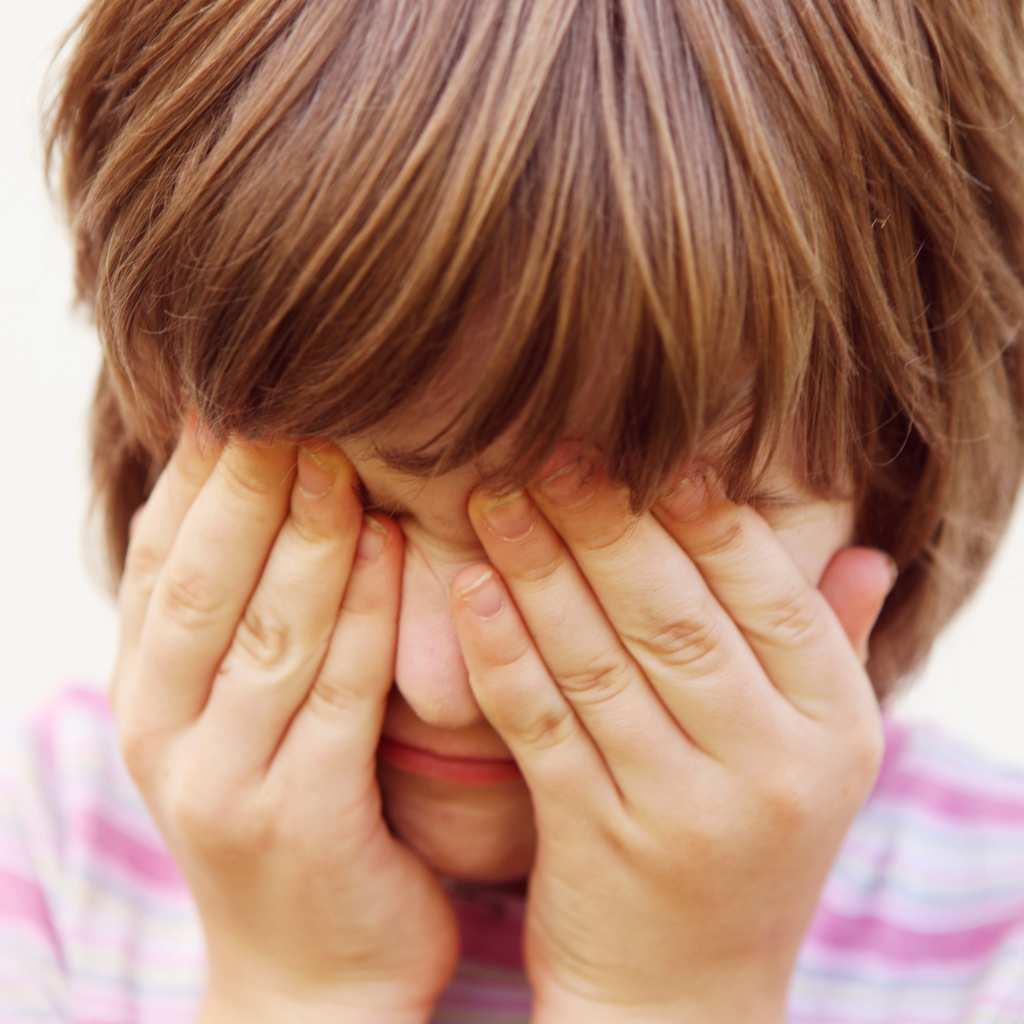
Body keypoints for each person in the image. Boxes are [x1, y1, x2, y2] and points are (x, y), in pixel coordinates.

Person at [3, 0, 1024, 1020]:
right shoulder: (46, 855)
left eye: (615, 543)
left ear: (900, 480)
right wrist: (297, 989)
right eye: (353, 510)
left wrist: (674, 994)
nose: (444, 684)